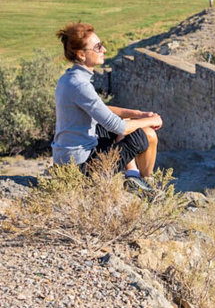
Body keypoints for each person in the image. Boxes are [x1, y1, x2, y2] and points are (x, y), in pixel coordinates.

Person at [53, 22, 162, 191]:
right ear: (81, 54)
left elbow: (101, 108)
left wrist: (137, 114)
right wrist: (151, 120)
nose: (104, 50)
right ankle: (144, 185)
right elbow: (119, 127)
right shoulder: (80, 85)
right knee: (144, 135)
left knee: (129, 123)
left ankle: (133, 177)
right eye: (98, 47)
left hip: (70, 159)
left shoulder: (69, 78)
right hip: (80, 169)